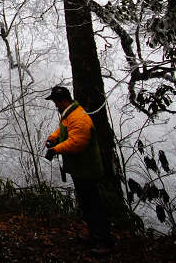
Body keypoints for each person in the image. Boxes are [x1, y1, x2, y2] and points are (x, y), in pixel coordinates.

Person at [44, 85, 114, 255]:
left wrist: (56, 149)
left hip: (87, 169)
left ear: (64, 100)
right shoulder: (70, 115)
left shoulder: (78, 117)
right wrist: (53, 138)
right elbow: (65, 130)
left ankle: (105, 241)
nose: (56, 105)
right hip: (80, 169)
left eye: (56, 102)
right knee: (87, 204)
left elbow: (77, 142)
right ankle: (94, 235)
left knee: (94, 205)